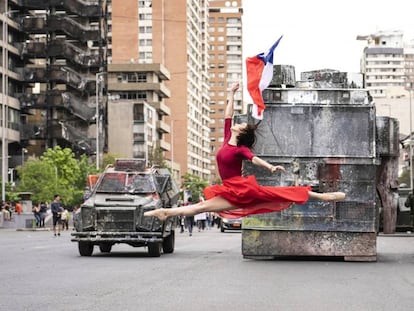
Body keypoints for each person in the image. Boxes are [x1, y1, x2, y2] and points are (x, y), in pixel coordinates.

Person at [144, 82, 345, 221]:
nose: (237, 124)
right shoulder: (226, 139)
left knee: (280, 193)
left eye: (240, 126)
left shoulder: (240, 149)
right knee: (200, 207)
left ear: (240, 134)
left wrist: (270, 167)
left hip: (241, 189)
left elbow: (254, 159)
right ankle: (165, 212)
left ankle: (323, 197)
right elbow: (228, 114)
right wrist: (231, 94)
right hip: (229, 190)